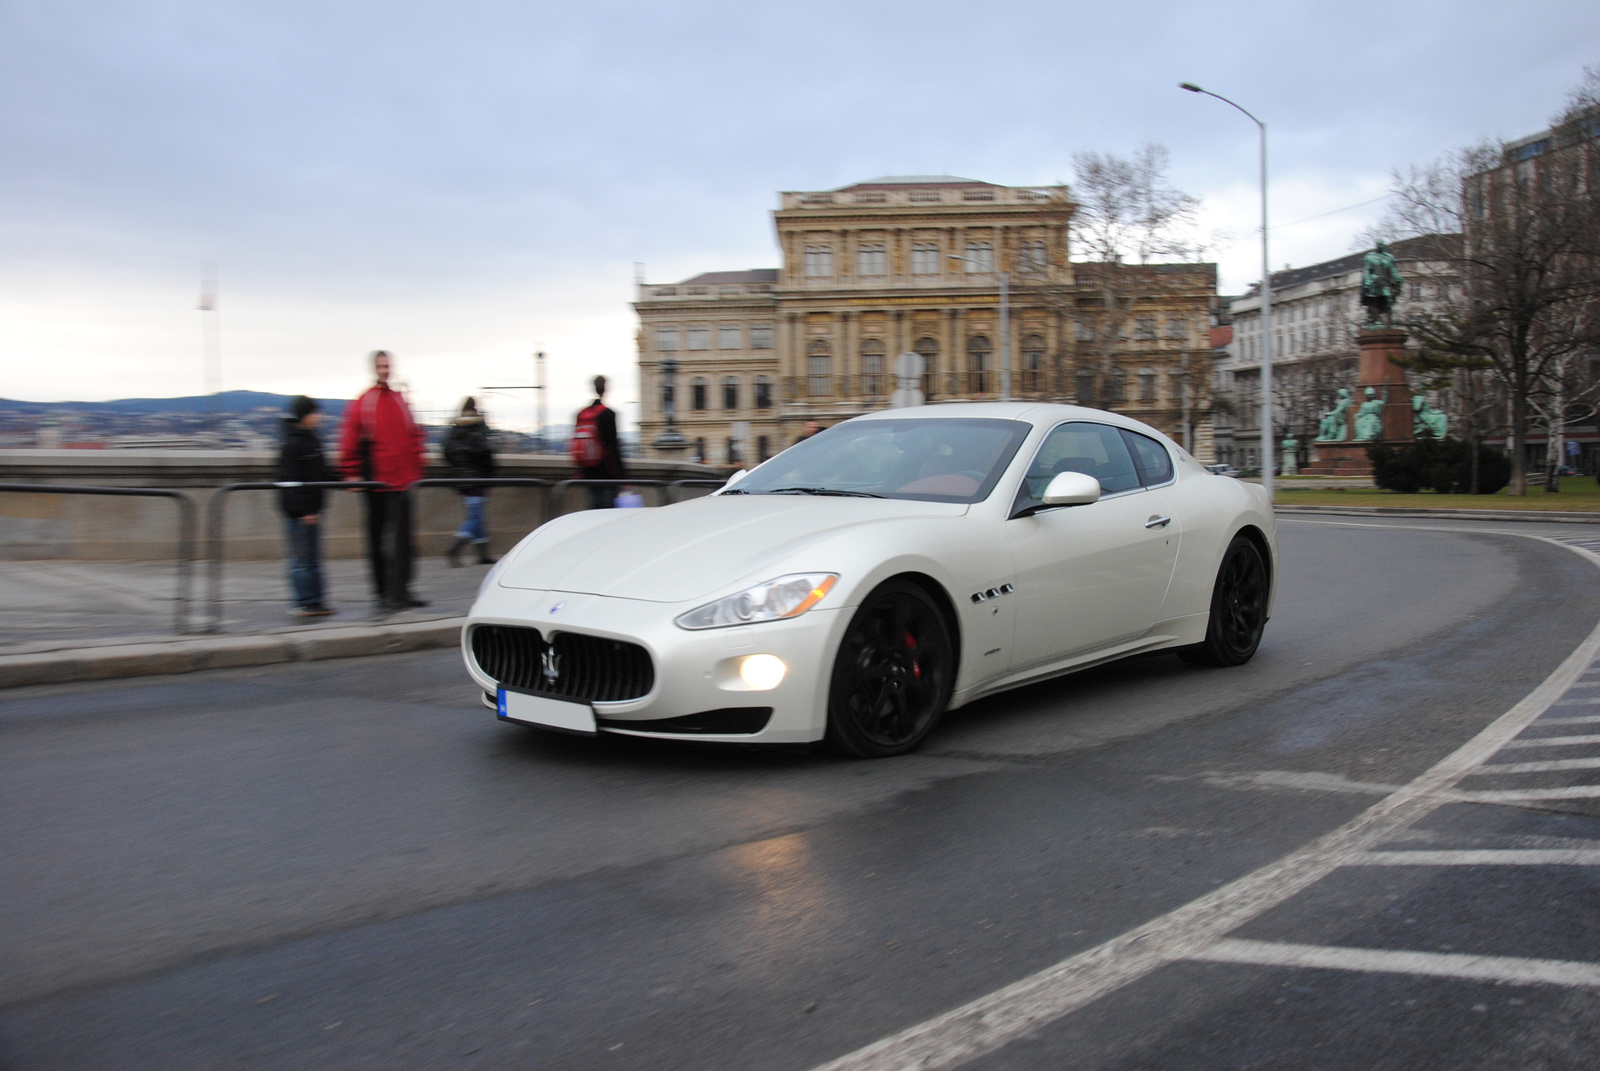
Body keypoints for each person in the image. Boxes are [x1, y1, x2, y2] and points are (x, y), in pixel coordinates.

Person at [337, 350, 428, 613]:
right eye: (381, 365)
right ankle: (383, 592)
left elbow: (414, 436)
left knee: (405, 542)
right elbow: (350, 438)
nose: (385, 369)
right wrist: (352, 471)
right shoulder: (365, 402)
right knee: (378, 540)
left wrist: (417, 469)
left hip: (404, 481)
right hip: (378, 481)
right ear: (375, 368)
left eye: (388, 365)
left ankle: (402, 590)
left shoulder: (400, 401)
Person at [277, 395, 335, 618]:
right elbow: (290, 482)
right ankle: (305, 601)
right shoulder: (294, 444)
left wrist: (345, 480)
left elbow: (322, 473)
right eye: (315, 412)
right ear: (305, 415)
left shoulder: (310, 440)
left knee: (311, 558)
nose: (319, 416)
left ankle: (315, 600)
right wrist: (304, 511)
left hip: (312, 511)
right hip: (301, 513)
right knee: (302, 559)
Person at [443, 396, 497, 566]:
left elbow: (447, 451)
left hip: (461, 478)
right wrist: (488, 473)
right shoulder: (478, 427)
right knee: (475, 516)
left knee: (477, 515)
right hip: (478, 478)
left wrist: (458, 468)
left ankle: (482, 554)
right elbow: (485, 452)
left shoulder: (455, 429)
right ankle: (455, 547)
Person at [571, 374, 626, 509]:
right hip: (607, 473)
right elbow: (613, 447)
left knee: (593, 510)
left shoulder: (581, 414)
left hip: (588, 473)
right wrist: (622, 477)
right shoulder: (608, 414)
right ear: (605, 389)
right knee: (607, 512)